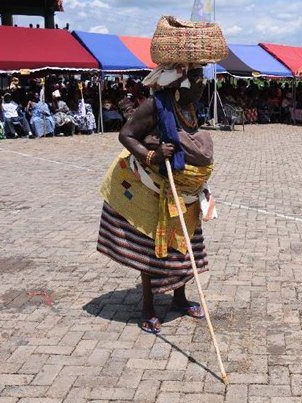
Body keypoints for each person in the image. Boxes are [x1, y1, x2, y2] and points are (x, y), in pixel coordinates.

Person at [97, 17, 226, 335]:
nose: (202, 85)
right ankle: (148, 308)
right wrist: (152, 153)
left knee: (185, 245)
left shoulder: (191, 106)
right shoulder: (155, 105)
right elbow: (126, 135)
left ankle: (180, 299)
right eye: (197, 79)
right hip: (151, 185)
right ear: (182, 81)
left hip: (183, 190)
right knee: (152, 249)